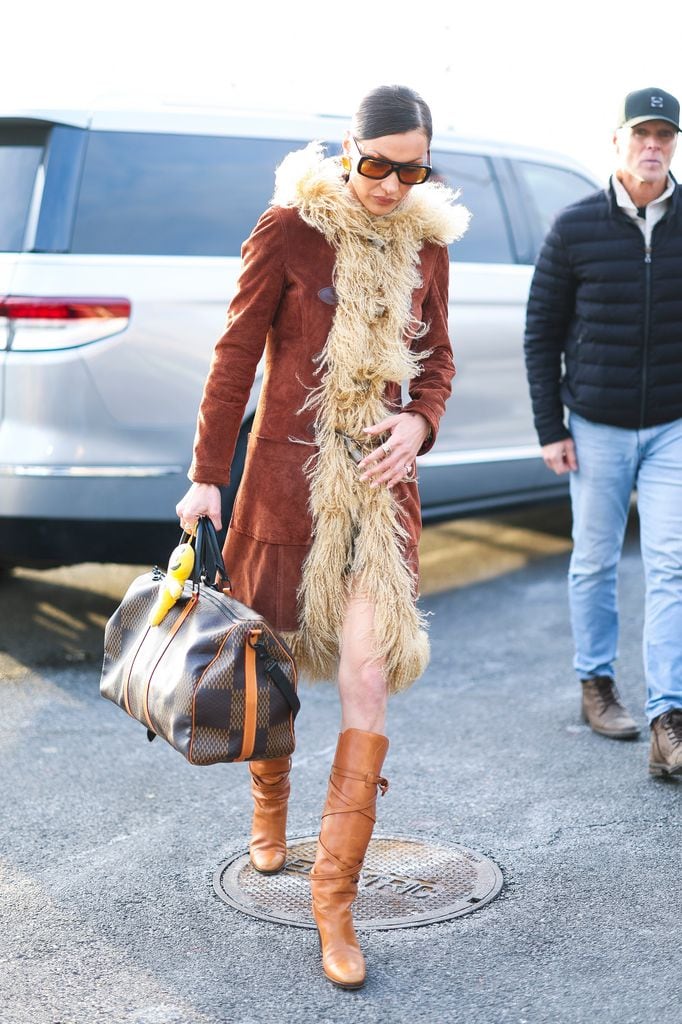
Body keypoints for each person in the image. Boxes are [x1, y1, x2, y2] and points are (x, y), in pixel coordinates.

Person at [176, 84, 470, 987]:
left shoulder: (426, 245)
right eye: (374, 164)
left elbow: (440, 358)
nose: (388, 185)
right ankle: (269, 808)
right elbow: (234, 355)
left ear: (425, 166)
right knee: (267, 672)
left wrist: (419, 424)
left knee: (368, 675)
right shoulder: (290, 229)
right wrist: (205, 477)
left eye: (408, 168)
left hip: (380, 495)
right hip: (286, 486)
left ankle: (333, 905)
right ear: (347, 152)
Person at [524, 86, 682, 778]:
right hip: (594, 426)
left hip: (673, 428)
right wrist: (549, 427)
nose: (653, 147)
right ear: (617, 142)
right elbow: (541, 334)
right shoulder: (576, 226)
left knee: (672, 565)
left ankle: (667, 718)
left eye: (665, 137)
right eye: (641, 135)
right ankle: (596, 685)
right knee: (594, 562)